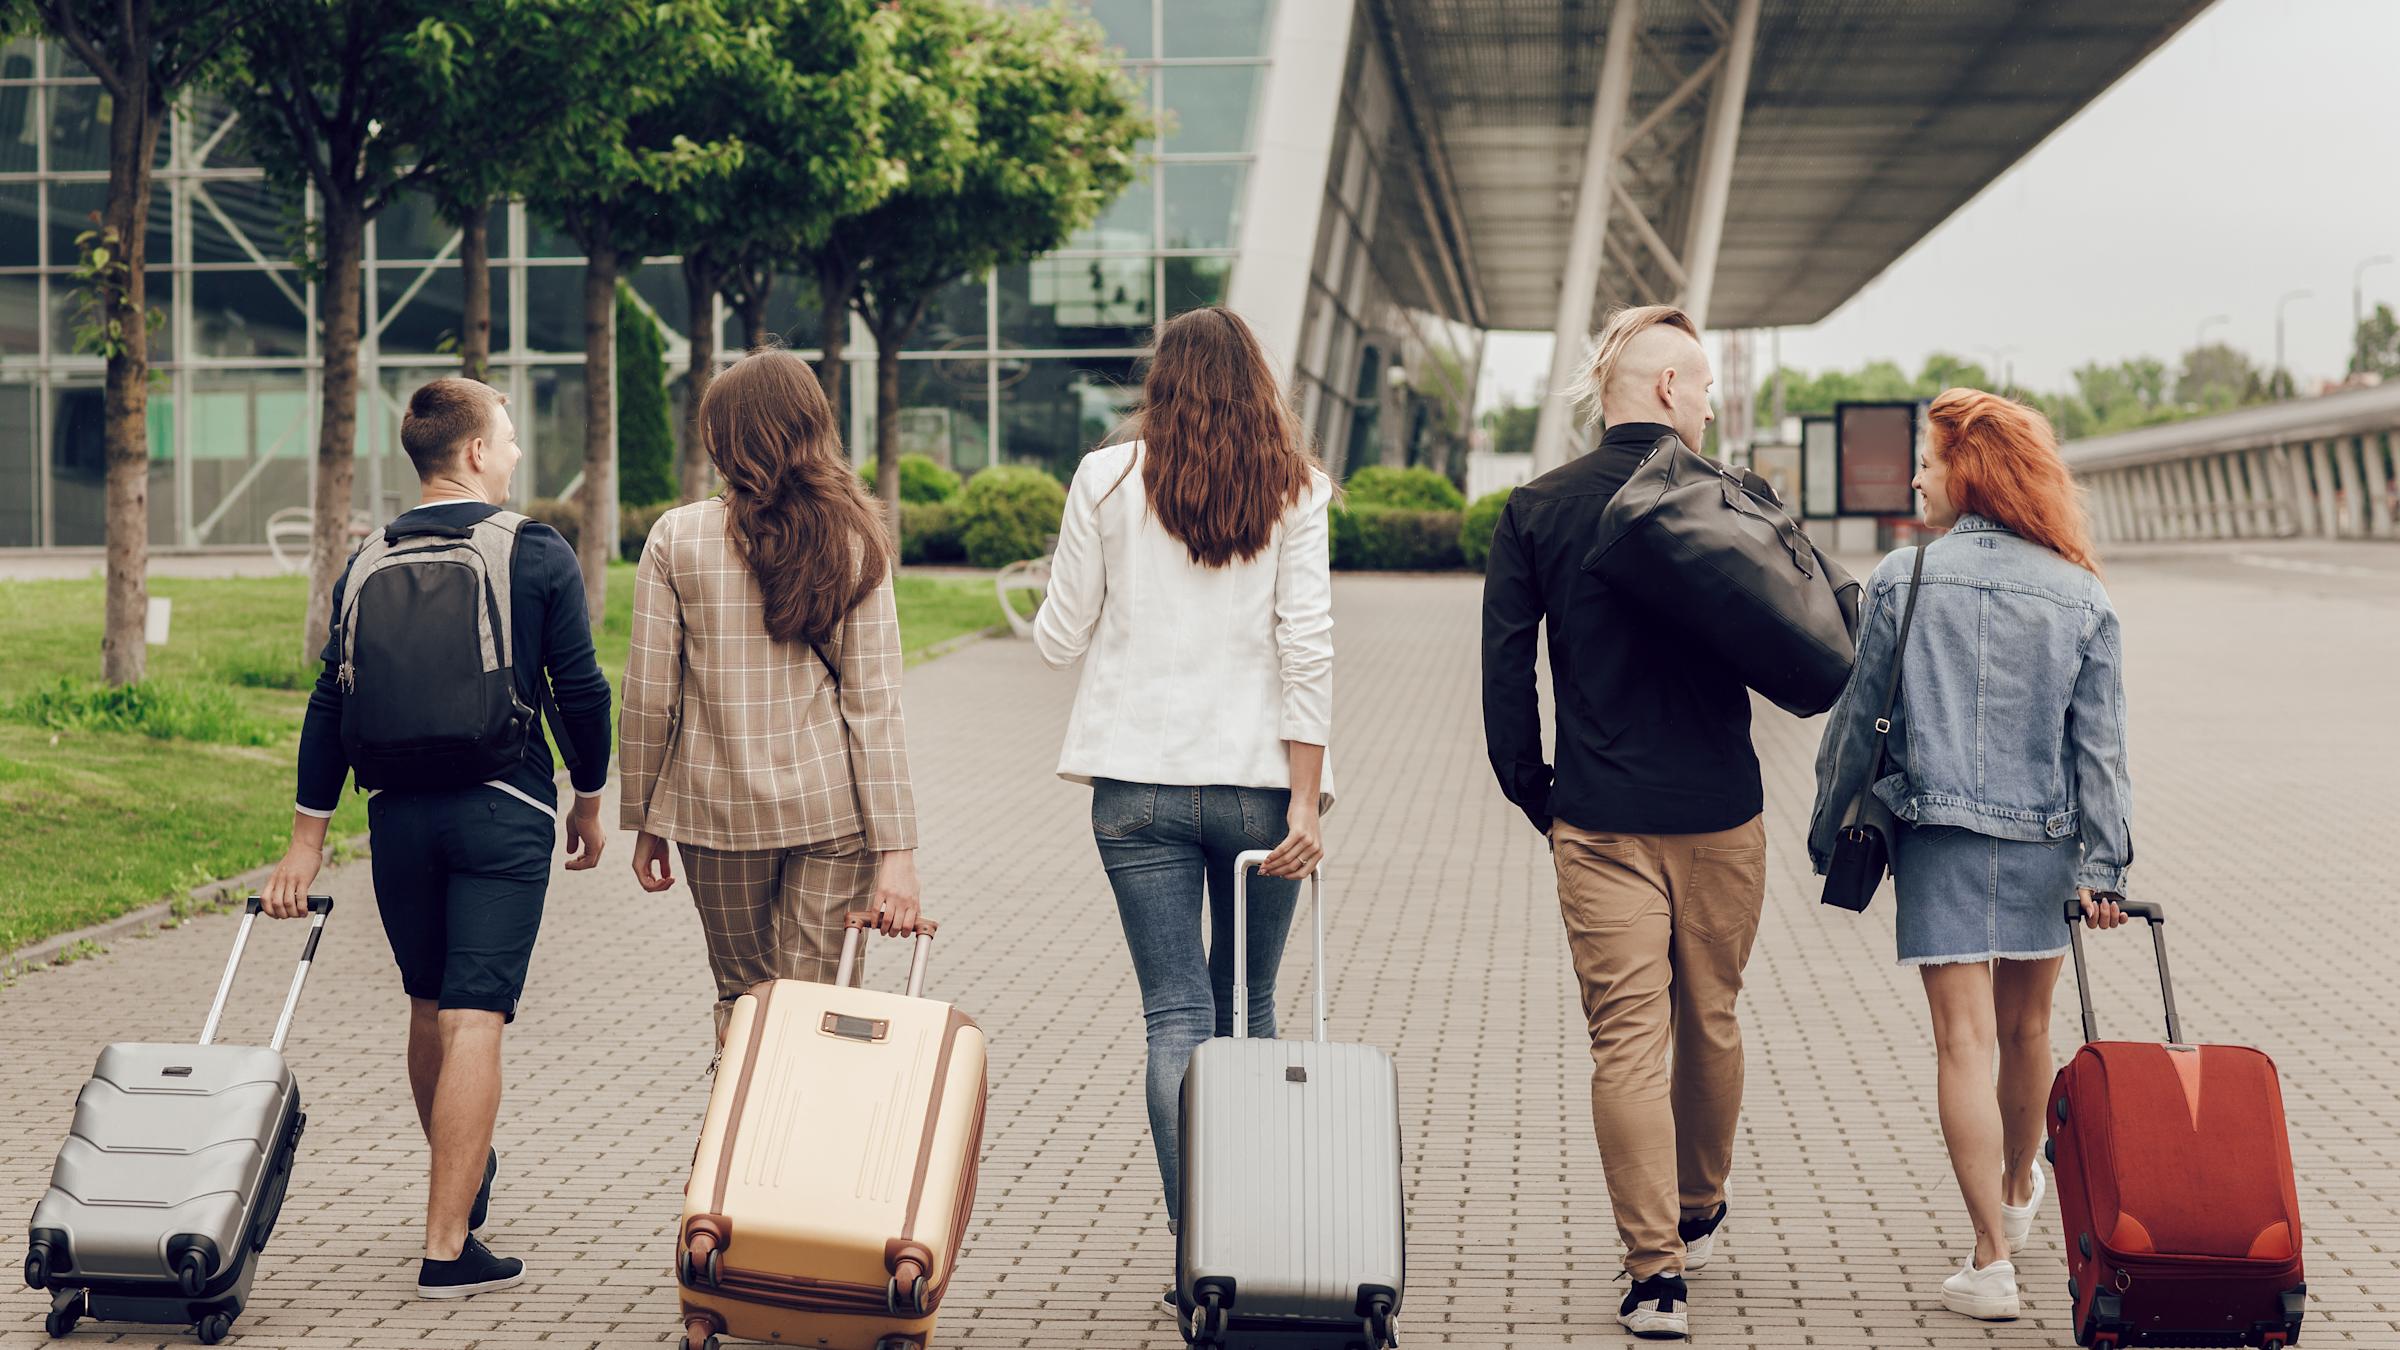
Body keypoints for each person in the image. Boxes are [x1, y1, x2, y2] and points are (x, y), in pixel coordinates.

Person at [261, 377, 613, 1299]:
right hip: (502, 807)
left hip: (396, 817)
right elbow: (581, 691)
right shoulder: (534, 551)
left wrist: (305, 842)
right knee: (476, 1016)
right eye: (507, 437)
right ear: (471, 454)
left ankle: (462, 1170)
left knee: (429, 1005)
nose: (517, 453)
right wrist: (589, 797)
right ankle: (448, 1245)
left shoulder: (366, 558)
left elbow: (328, 703)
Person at [1808, 388, 2133, 1323]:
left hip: (1939, 836)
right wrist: (2103, 869)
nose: (1914, 473)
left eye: (1927, 457)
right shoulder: (2081, 593)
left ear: (1972, 469)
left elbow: (1855, 726)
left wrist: (1831, 831)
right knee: (2028, 1031)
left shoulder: (1903, 580)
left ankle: (1989, 1260)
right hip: (2045, 840)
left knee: (1962, 1041)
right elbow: (2099, 750)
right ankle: (2022, 1189)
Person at [1032, 306, 1333, 1306]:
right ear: (1259, 382)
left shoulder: (1104, 479)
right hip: (1258, 790)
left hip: (1136, 786)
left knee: (1175, 1018)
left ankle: (1197, 1255)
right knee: (1248, 1008)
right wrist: (1305, 799)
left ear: (1158, 382)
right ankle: (1259, 1239)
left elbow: (1059, 638)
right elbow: (1308, 649)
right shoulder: (1297, 490)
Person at [1480, 304, 1761, 1340]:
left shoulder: (1538, 508)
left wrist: (1538, 793)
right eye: (1703, 388)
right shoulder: (1733, 498)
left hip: (1598, 814)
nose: (1710, 405)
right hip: (1723, 810)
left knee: (1626, 1042)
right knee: (1713, 1015)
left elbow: (1505, 674)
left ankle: (1655, 1279)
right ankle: (1698, 1203)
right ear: (1665, 391)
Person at [618, 349, 921, 1047]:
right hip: (832, 815)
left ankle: (737, 1145)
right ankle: (807, 1146)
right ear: (812, 426)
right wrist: (898, 851)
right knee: (818, 1004)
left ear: (725, 438)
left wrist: (644, 816)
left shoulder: (677, 537)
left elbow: (647, 696)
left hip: (713, 812)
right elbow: (875, 706)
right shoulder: (854, 537)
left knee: (742, 999)